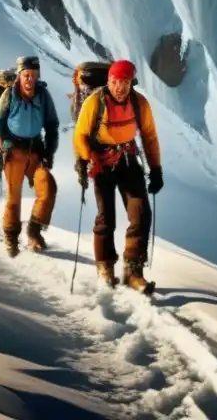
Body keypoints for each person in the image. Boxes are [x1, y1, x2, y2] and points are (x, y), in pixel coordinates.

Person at [73, 59, 163, 292]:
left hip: (128, 160)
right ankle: (105, 267)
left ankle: (134, 272)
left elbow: (150, 136)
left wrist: (156, 169)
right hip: (101, 162)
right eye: (115, 82)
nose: (119, 87)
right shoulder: (95, 102)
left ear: (131, 83)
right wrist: (86, 159)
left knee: (141, 213)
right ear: (108, 80)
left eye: (124, 82)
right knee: (106, 217)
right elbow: (80, 135)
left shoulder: (139, 103)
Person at [0, 56, 59, 257]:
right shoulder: (9, 95)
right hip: (13, 150)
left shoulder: (43, 95)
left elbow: (52, 125)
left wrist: (49, 152)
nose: (29, 79)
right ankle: (11, 237)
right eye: (26, 75)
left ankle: (34, 232)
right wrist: (2, 142)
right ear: (19, 76)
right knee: (13, 196)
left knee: (48, 188)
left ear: (37, 76)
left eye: (33, 75)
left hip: (35, 151)